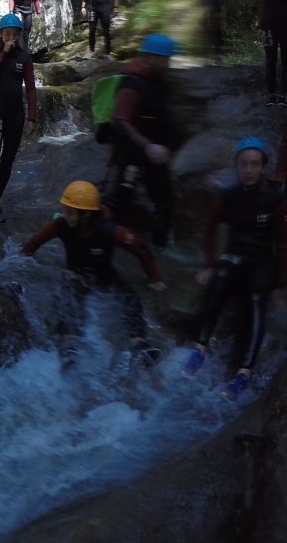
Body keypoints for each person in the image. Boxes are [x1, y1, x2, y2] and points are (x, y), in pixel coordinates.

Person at [182, 138, 287, 400]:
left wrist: (279, 287)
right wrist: (210, 264)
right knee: (220, 277)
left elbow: (283, 245)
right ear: (237, 166)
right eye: (243, 164)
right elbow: (209, 228)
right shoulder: (228, 195)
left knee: (256, 297)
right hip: (235, 255)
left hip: (262, 261)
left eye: (254, 165)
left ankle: (244, 373)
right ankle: (200, 349)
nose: (248, 170)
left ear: (263, 168)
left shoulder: (276, 197)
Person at [21, 180, 166, 365]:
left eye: (71, 212)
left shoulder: (110, 231)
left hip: (104, 275)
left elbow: (142, 251)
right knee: (68, 295)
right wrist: (21, 258)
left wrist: (154, 279)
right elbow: (35, 241)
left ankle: (138, 344)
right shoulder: (60, 225)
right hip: (76, 274)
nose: (66, 215)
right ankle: (69, 343)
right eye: (66, 210)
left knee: (130, 298)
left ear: (86, 214)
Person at [103, 33, 178, 250]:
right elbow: (120, 119)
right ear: (150, 57)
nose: (167, 63)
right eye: (164, 59)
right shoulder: (133, 84)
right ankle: (106, 245)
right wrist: (148, 145)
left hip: (153, 156)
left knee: (164, 202)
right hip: (131, 156)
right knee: (117, 201)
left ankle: (159, 247)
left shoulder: (157, 80)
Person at [0, 13, 37, 223]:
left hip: (15, 115)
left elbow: (30, 88)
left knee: (7, 161)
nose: (11, 38)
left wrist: (32, 118)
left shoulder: (24, 57)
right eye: (7, 34)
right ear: (0, 34)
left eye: (14, 34)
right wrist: (3, 53)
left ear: (19, 35)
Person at [258, 0, 287, 106]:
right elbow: (262, 3)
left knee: (286, 60)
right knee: (270, 61)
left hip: (286, 26)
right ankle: (272, 93)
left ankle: (283, 94)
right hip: (270, 25)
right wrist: (260, 23)